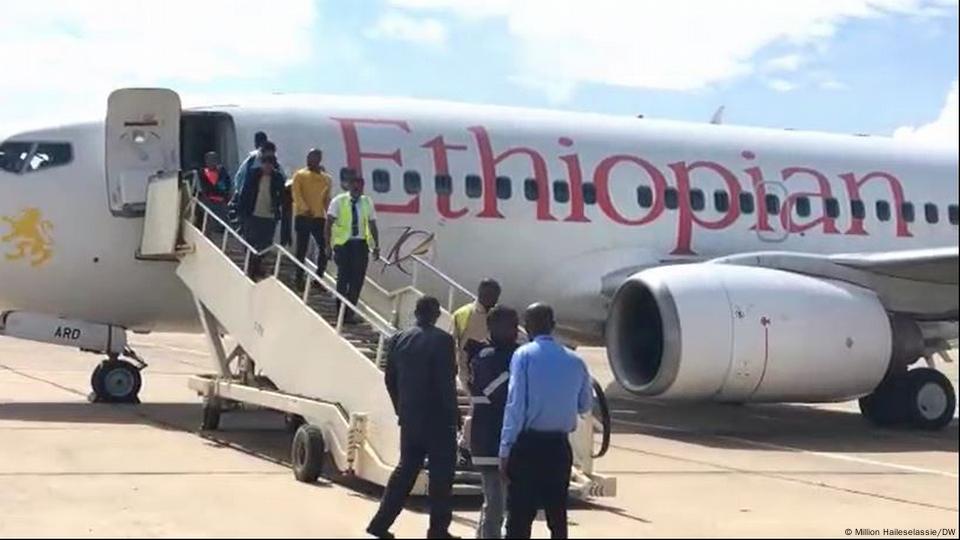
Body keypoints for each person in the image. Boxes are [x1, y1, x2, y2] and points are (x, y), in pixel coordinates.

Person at [367, 296, 459, 540]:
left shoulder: (398, 339)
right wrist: (454, 416)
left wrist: (401, 409)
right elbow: (445, 382)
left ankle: (379, 524)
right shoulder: (443, 341)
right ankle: (438, 531)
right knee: (441, 478)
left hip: (410, 418)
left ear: (415, 313)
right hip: (438, 420)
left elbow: (390, 378)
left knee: (404, 473)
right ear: (436, 314)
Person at [499, 303, 593, 540]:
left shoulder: (523, 355)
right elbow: (584, 406)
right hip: (559, 447)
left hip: (529, 445)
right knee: (557, 515)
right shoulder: (576, 361)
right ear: (553, 326)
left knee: (520, 516)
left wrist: (505, 448)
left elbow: (515, 405)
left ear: (527, 326)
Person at [468, 306, 520, 539]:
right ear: (492, 327)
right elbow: (491, 391)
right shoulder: (485, 356)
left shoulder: (514, 354)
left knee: (498, 503)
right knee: (495, 504)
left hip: (508, 438)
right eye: (509, 324)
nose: (514, 330)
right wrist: (520, 372)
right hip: (489, 437)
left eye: (515, 324)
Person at [324, 174, 380, 324]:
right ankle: (340, 312)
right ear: (348, 186)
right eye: (354, 185)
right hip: (343, 245)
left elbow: (372, 225)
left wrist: (376, 246)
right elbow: (328, 223)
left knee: (357, 280)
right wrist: (327, 245)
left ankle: (349, 313)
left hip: (360, 245)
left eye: (360, 186)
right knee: (343, 279)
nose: (357, 188)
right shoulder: (339, 201)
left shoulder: (367, 202)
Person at [236, 155, 285, 279]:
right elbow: (245, 192)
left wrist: (277, 205)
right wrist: (241, 212)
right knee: (252, 241)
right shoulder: (253, 175)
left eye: (270, 164)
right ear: (262, 164)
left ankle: (256, 266)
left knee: (266, 244)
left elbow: (282, 196)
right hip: (253, 213)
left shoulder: (277, 178)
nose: (267, 167)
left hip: (269, 216)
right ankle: (251, 269)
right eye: (265, 164)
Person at [291, 149, 332, 286]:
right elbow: (296, 194)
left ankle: (319, 276)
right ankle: (298, 277)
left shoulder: (326, 179)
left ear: (319, 159)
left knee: (324, 246)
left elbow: (326, 199)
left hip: (319, 217)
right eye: (309, 156)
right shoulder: (300, 175)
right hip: (303, 216)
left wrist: (330, 215)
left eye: (314, 157)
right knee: (302, 247)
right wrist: (304, 208)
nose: (310, 159)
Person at [451, 279, 502, 390]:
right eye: (491, 295)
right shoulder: (463, 314)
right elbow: (451, 343)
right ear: (481, 293)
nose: (495, 299)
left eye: (497, 295)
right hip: (468, 374)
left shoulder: (500, 314)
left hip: (494, 373)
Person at [195, 151, 232, 228]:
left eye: (214, 159)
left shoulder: (222, 171)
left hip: (221, 202)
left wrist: (226, 195)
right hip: (208, 202)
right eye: (209, 160)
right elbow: (201, 189)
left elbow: (227, 185)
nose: (211, 162)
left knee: (224, 225)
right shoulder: (202, 173)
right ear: (206, 161)